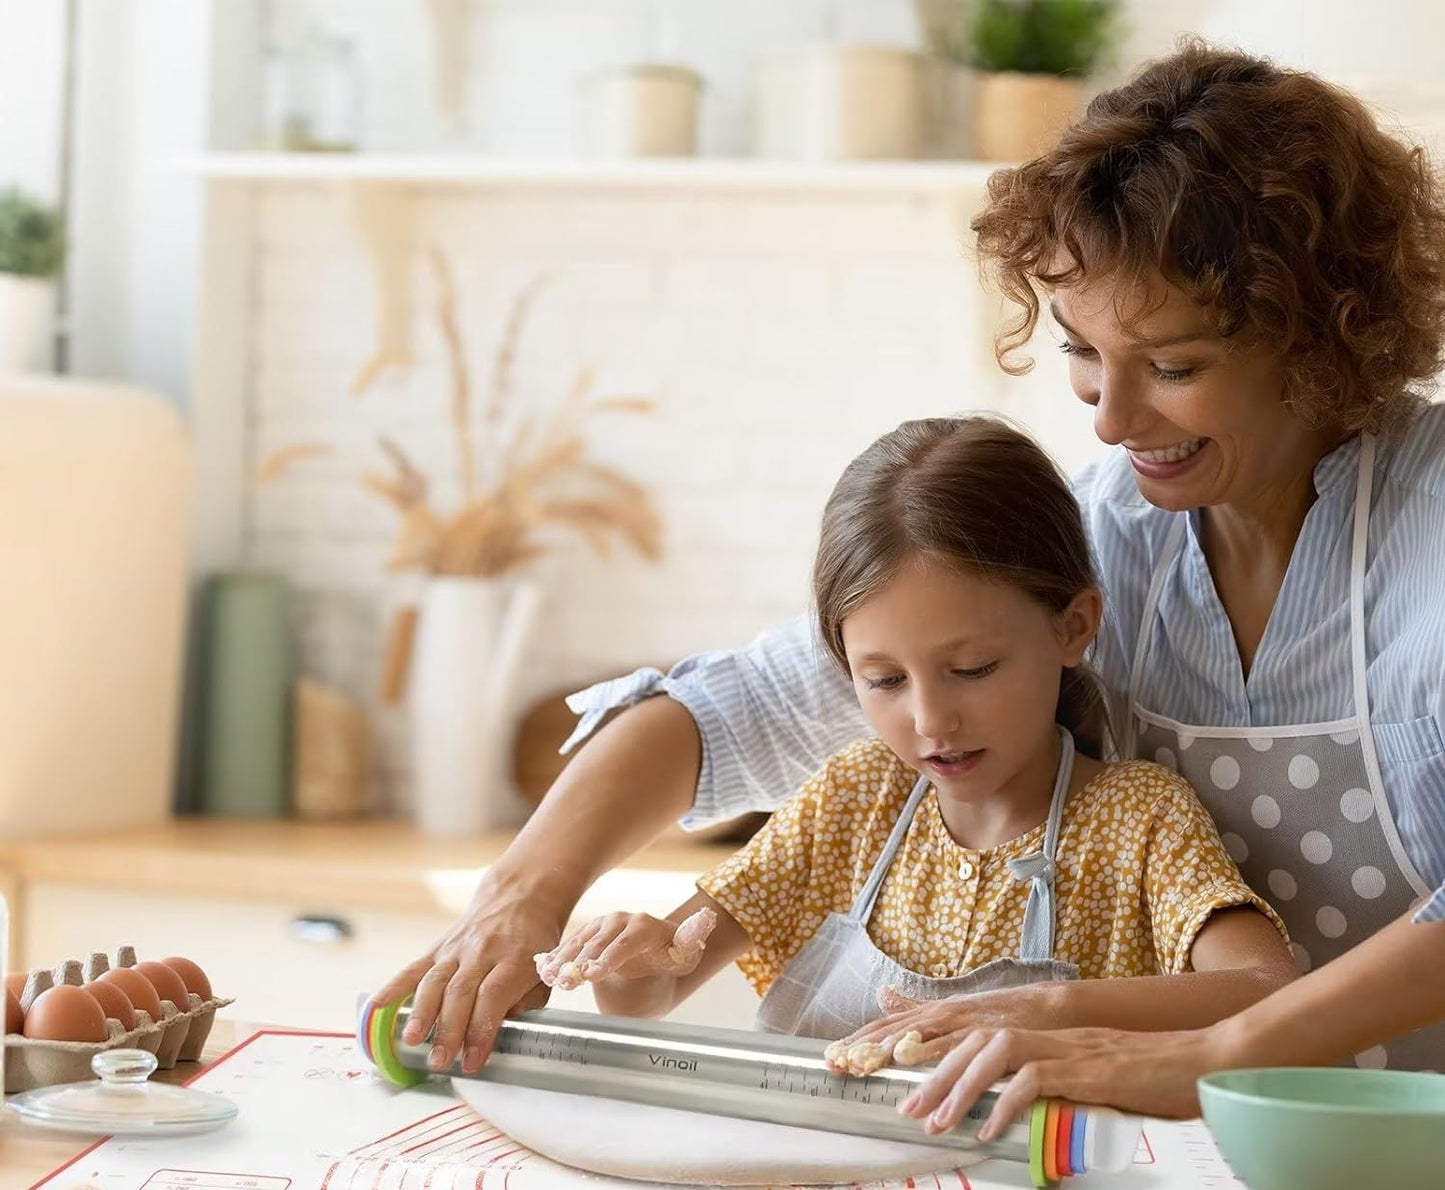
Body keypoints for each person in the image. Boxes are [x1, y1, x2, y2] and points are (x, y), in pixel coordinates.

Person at [371, 40, 1445, 1099]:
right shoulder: (1101, 534)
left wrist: (1209, 1047)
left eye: (1172, 365)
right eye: (1081, 352)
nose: (1111, 420)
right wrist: (522, 893)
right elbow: (742, 709)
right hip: (1214, 1146)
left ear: (1319, 332)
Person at [532, 417, 1297, 1042]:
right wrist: (630, 959)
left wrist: (1050, 1010)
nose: (931, 721)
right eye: (885, 680)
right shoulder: (850, 801)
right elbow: (653, 992)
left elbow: (1268, 990)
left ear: (1072, 626)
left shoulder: (1138, 820)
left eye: (971, 668)